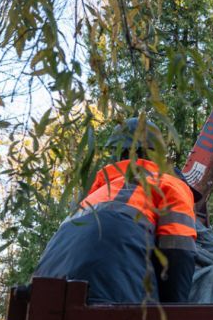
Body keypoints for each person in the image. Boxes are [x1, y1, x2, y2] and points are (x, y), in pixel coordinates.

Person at [34, 118, 199, 304]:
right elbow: (178, 252)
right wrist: (175, 312)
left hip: (48, 283)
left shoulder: (94, 194)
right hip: (113, 282)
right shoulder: (170, 184)